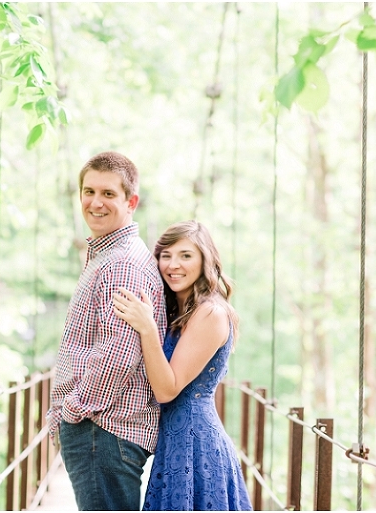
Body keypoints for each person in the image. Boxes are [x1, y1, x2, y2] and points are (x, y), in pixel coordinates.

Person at [46, 151, 167, 511]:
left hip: (101, 430)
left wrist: (74, 410)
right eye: (88, 191)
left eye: (108, 194)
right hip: (101, 431)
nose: (95, 203)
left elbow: (119, 353)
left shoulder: (122, 265)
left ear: (131, 202)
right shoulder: (109, 256)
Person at [113, 220, 252, 511]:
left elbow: (167, 389)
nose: (173, 265)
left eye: (186, 255)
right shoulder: (176, 310)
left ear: (205, 260)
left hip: (196, 447)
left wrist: (147, 328)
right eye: (166, 255)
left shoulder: (211, 313)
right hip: (173, 445)